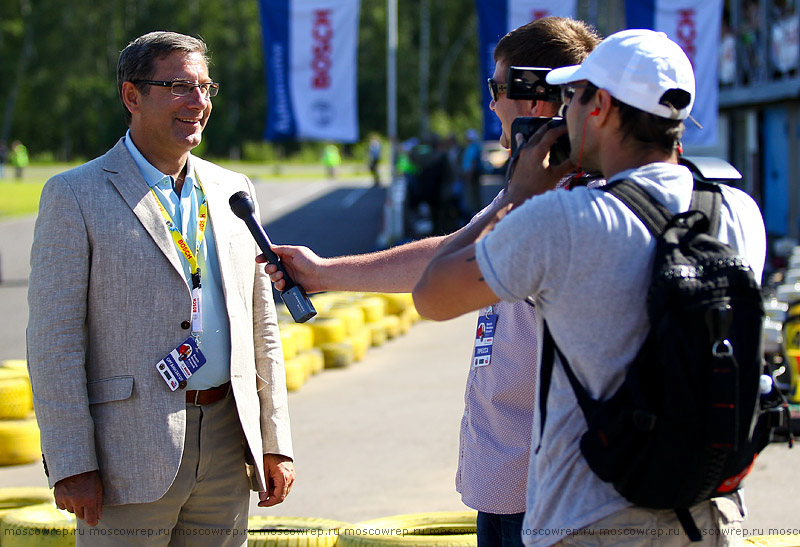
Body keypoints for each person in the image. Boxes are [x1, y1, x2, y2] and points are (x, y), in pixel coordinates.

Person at [412, 29, 765, 546]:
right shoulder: (737, 212)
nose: (564, 112)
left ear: (599, 105)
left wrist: (517, 196)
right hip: (704, 513)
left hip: (588, 520)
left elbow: (433, 294)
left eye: (573, 95)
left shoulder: (565, 220)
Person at [262, 18, 601, 547]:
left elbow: (438, 288)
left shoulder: (566, 201)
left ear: (535, 96)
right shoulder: (538, 184)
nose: (492, 106)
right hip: (517, 479)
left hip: (551, 490)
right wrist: (324, 272)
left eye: (496, 89)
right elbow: (453, 249)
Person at [27, 31, 294, 545]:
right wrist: (71, 462)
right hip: (124, 455)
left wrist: (275, 440)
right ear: (132, 96)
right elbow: (54, 343)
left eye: (204, 88)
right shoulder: (74, 195)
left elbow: (262, 324)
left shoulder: (233, 189)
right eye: (178, 87)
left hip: (226, 441)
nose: (198, 103)